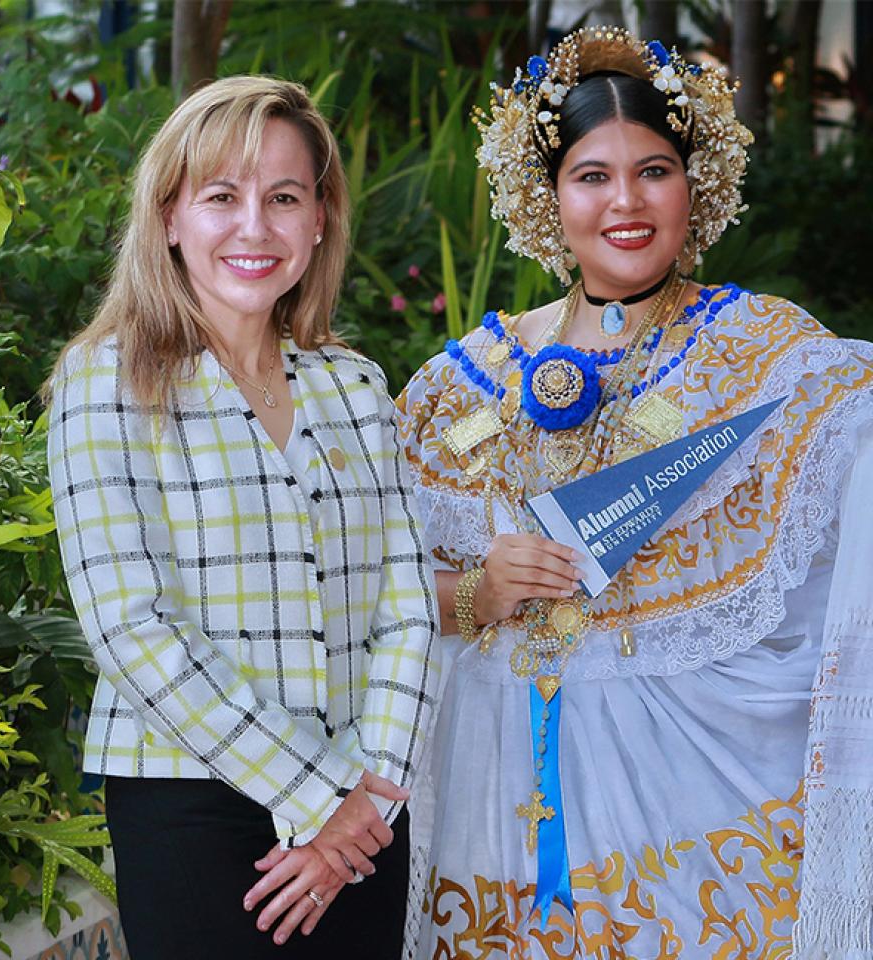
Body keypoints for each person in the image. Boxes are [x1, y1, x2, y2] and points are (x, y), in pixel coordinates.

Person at [396, 26, 873, 960]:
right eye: (592, 175)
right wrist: (479, 596)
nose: (626, 202)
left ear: (696, 187)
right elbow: (366, 596)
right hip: (489, 796)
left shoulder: (763, 354)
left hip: (685, 793)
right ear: (549, 195)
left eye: (654, 170)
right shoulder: (456, 384)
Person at [45, 75, 439, 959]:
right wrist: (319, 800)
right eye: (222, 196)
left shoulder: (356, 387)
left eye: (284, 198)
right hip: (191, 803)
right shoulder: (106, 382)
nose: (255, 226)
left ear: (320, 219)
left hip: (367, 805)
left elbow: (408, 608)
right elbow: (130, 627)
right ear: (170, 217)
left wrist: (368, 800)